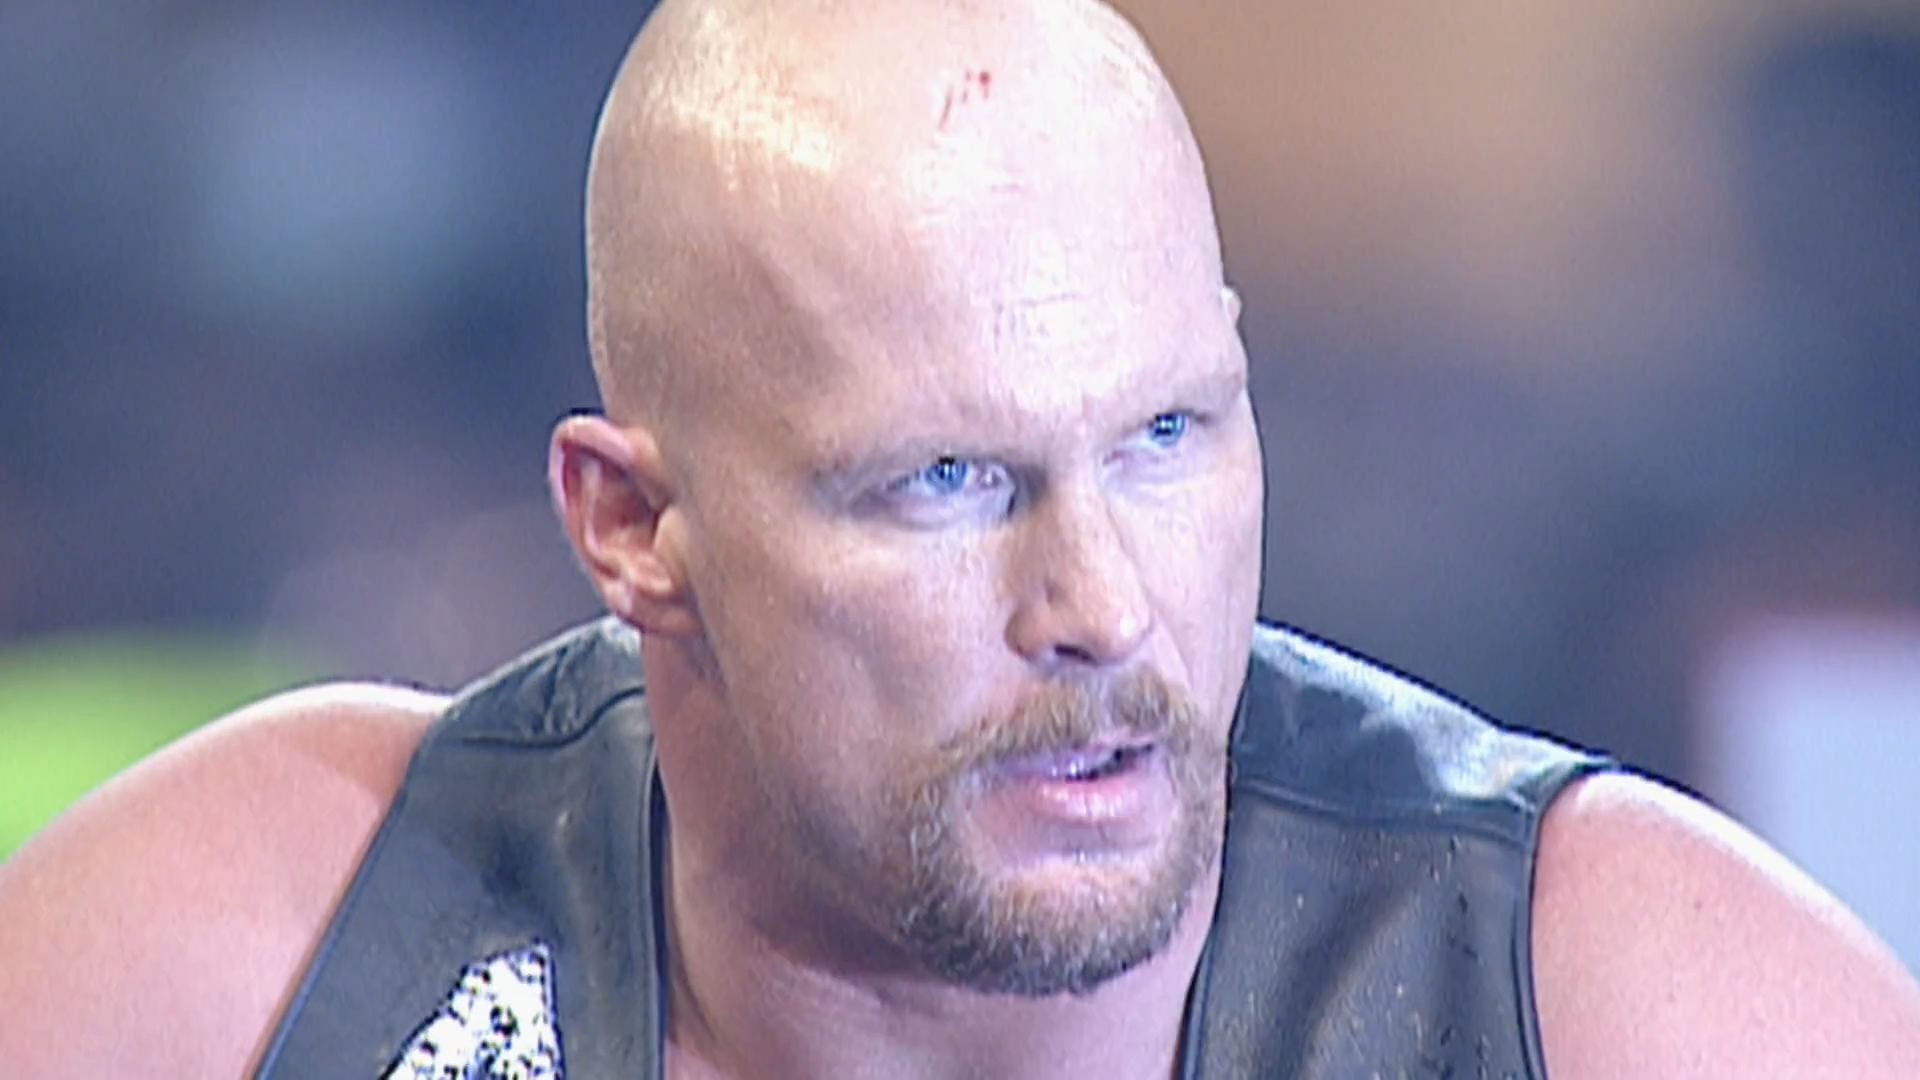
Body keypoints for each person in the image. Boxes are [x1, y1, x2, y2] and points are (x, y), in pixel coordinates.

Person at [3, 0, 1918, 1074]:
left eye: (1165, 438)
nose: (1102, 606)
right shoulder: (277, 946)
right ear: (634, 524)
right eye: (947, 483)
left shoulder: (1622, 1003)